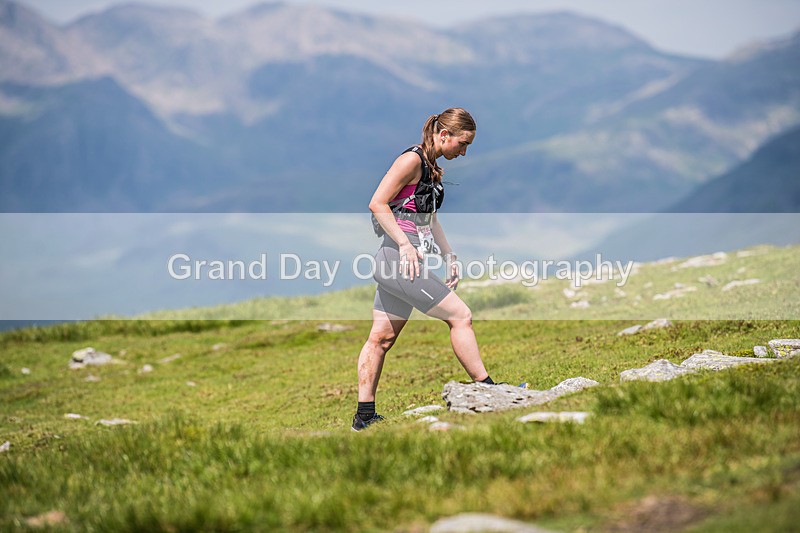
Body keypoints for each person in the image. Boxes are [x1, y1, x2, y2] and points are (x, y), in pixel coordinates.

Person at [353, 107, 498, 431]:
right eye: (463, 143)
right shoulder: (411, 160)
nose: (464, 152)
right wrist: (405, 244)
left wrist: (449, 257)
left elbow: (430, 220)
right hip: (397, 260)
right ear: (444, 135)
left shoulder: (431, 167)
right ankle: (488, 390)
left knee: (381, 339)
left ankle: (364, 417)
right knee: (461, 316)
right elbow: (377, 203)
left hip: (400, 261)